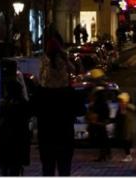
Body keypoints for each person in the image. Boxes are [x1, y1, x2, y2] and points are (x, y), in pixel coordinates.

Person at [35, 37, 78, 176]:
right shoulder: (68, 94)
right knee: (64, 169)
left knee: (48, 169)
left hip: (47, 139)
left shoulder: (42, 95)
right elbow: (74, 69)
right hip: (64, 139)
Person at [0, 80, 32, 175]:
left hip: (9, 139)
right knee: (14, 168)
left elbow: (0, 119)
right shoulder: (23, 103)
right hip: (17, 140)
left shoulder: (6, 104)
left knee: (8, 167)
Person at [88, 88, 111, 162]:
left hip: (98, 123)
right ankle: (106, 154)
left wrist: (93, 121)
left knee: (101, 139)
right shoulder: (104, 103)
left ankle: (103, 155)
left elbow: (94, 113)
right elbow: (107, 113)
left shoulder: (97, 103)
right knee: (104, 138)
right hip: (102, 122)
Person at [114, 92, 136, 162]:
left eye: (121, 101)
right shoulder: (120, 108)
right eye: (120, 101)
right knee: (125, 141)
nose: (120, 103)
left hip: (127, 127)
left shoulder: (129, 107)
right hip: (122, 127)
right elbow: (117, 118)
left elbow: (134, 110)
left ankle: (128, 156)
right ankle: (128, 154)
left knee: (126, 140)